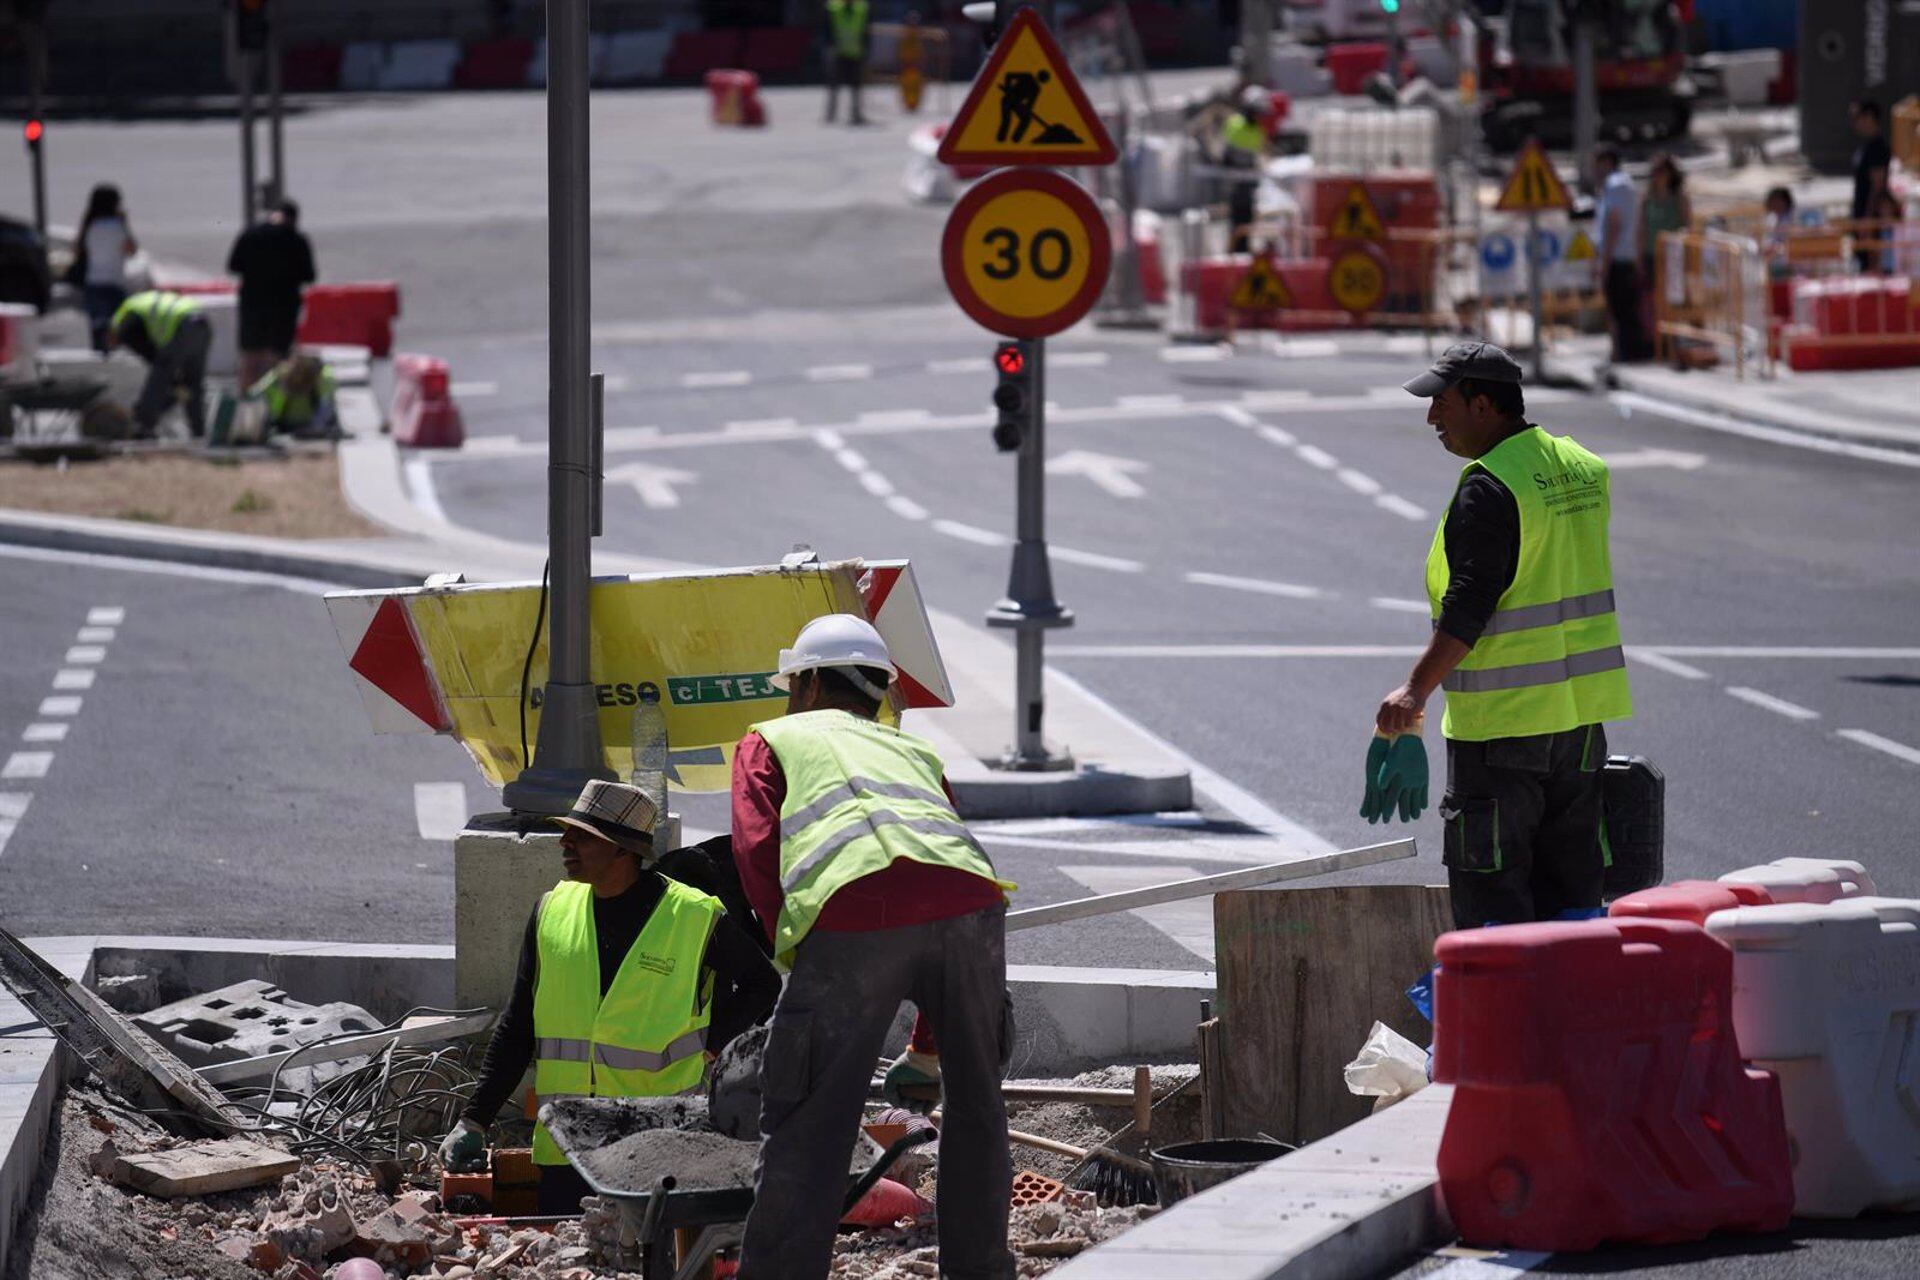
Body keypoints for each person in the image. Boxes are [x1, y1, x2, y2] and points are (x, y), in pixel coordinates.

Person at [732, 614, 1015, 1280]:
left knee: (810, 1122)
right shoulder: (910, 751)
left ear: (803, 684)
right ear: (879, 692)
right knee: (978, 1111)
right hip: (972, 908)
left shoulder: (773, 738)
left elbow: (756, 849)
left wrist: (802, 954)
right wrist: (925, 1047)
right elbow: (934, 873)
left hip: (854, 913)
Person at [1369, 343, 1633, 930]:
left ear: (1483, 405)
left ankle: (1509, 1018)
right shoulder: (1582, 470)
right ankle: (1579, 1013)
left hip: (1502, 731)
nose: (1432, 419)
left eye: (1441, 403)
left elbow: (1470, 608)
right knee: (1574, 893)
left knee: (1495, 901)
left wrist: (1414, 692)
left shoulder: (1489, 489)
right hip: (1579, 728)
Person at [438, 780, 780, 1216]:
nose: (565, 842)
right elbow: (518, 1026)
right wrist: (474, 1120)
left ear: (622, 848)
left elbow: (762, 984)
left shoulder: (693, 917)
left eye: (582, 835)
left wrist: (710, 1043)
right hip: (566, 1148)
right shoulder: (552, 912)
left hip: (657, 1145)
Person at [226, 196, 316, 390]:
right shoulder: (297, 239)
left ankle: (246, 402)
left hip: (252, 304)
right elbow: (309, 275)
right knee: (278, 358)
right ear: (293, 218)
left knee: (250, 356)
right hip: (283, 307)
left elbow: (233, 266)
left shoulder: (250, 234)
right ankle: (273, 405)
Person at [107, 290, 211, 438]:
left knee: (160, 376)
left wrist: (172, 383)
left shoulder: (123, 321)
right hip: (202, 324)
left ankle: (142, 426)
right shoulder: (135, 305)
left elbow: (150, 354)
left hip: (182, 325)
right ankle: (199, 432)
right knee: (191, 385)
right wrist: (175, 384)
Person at [1592, 145, 1650, 364]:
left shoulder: (1616, 185)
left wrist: (1604, 263)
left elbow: (1614, 225)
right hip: (1625, 257)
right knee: (1623, 310)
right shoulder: (1620, 185)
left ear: (1607, 163)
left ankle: (1627, 355)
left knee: (1621, 311)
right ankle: (1622, 353)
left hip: (1618, 259)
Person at [72, 184, 138, 353]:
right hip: (114, 284)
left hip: (93, 283)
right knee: (116, 336)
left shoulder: (89, 225)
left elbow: (78, 250)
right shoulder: (117, 227)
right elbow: (132, 250)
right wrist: (125, 224)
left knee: (98, 335)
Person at [1220, 87, 1270, 254]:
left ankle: (1243, 251)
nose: (1259, 116)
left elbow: (1256, 157)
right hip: (1235, 184)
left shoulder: (1257, 130)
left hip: (1248, 183)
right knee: (1237, 219)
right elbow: (1226, 156)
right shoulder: (1235, 124)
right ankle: (1234, 253)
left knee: (1248, 218)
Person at [250, 351, 338, 438]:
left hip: (313, 424)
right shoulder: (278, 375)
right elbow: (254, 395)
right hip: (282, 424)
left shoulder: (325, 378)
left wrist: (314, 427)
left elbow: (326, 407)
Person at [1637, 153, 1689, 293]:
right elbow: (1641, 230)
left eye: (1660, 171)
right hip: (1651, 257)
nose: (1657, 175)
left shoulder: (1679, 197)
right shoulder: (1646, 199)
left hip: (1673, 256)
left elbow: (1686, 226)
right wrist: (1639, 259)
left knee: (1673, 297)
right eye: (1654, 171)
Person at [1850, 100, 1891, 273]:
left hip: (1870, 218)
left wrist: (1868, 219)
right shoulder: (1865, 146)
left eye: (1857, 117)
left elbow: (1877, 185)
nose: (1854, 122)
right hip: (1861, 215)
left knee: (1871, 266)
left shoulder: (1877, 147)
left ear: (1869, 117)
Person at [823, 0, 870, 126]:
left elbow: (866, 31)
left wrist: (866, 50)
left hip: (855, 52)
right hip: (838, 52)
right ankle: (831, 113)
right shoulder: (833, 8)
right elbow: (827, 30)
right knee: (834, 84)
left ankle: (856, 113)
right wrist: (830, 48)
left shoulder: (861, 9)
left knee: (856, 85)